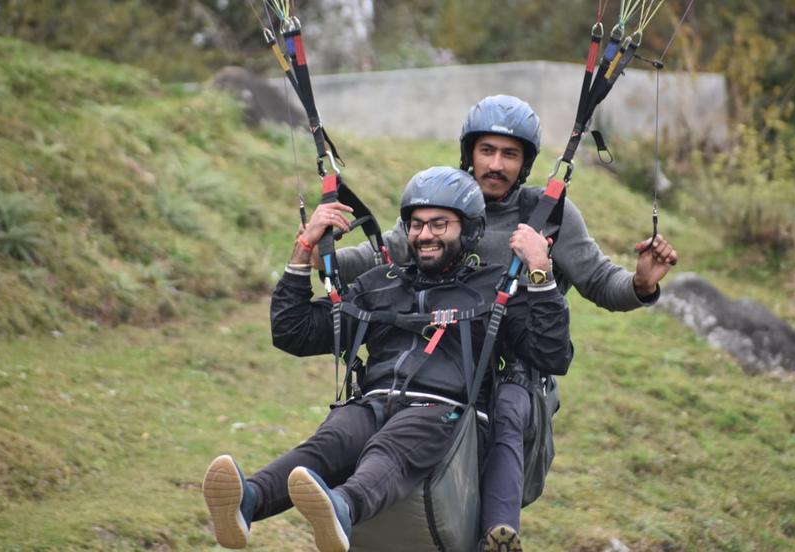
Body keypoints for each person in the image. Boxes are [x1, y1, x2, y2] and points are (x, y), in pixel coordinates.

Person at [330, 95, 679, 551]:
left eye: (509, 154)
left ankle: (497, 534)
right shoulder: (442, 203)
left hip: (511, 366)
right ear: (469, 153)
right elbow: (383, 257)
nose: (496, 165)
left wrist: (641, 283)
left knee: (510, 406)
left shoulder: (548, 217)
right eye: (487, 151)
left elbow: (598, 279)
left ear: (525, 162)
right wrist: (320, 254)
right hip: (441, 361)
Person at [202, 166, 573, 551]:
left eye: (439, 224)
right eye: (416, 224)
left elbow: (551, 353)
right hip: (374, 401)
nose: (425, 235)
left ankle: (343, 507)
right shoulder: (381, 283)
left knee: (391, 444)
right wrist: (303, 250)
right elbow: (294, 332)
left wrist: (540, 271)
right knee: (330, 441)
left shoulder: (495, 288)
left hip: (447, 413)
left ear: (471, 229)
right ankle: (249, 500)